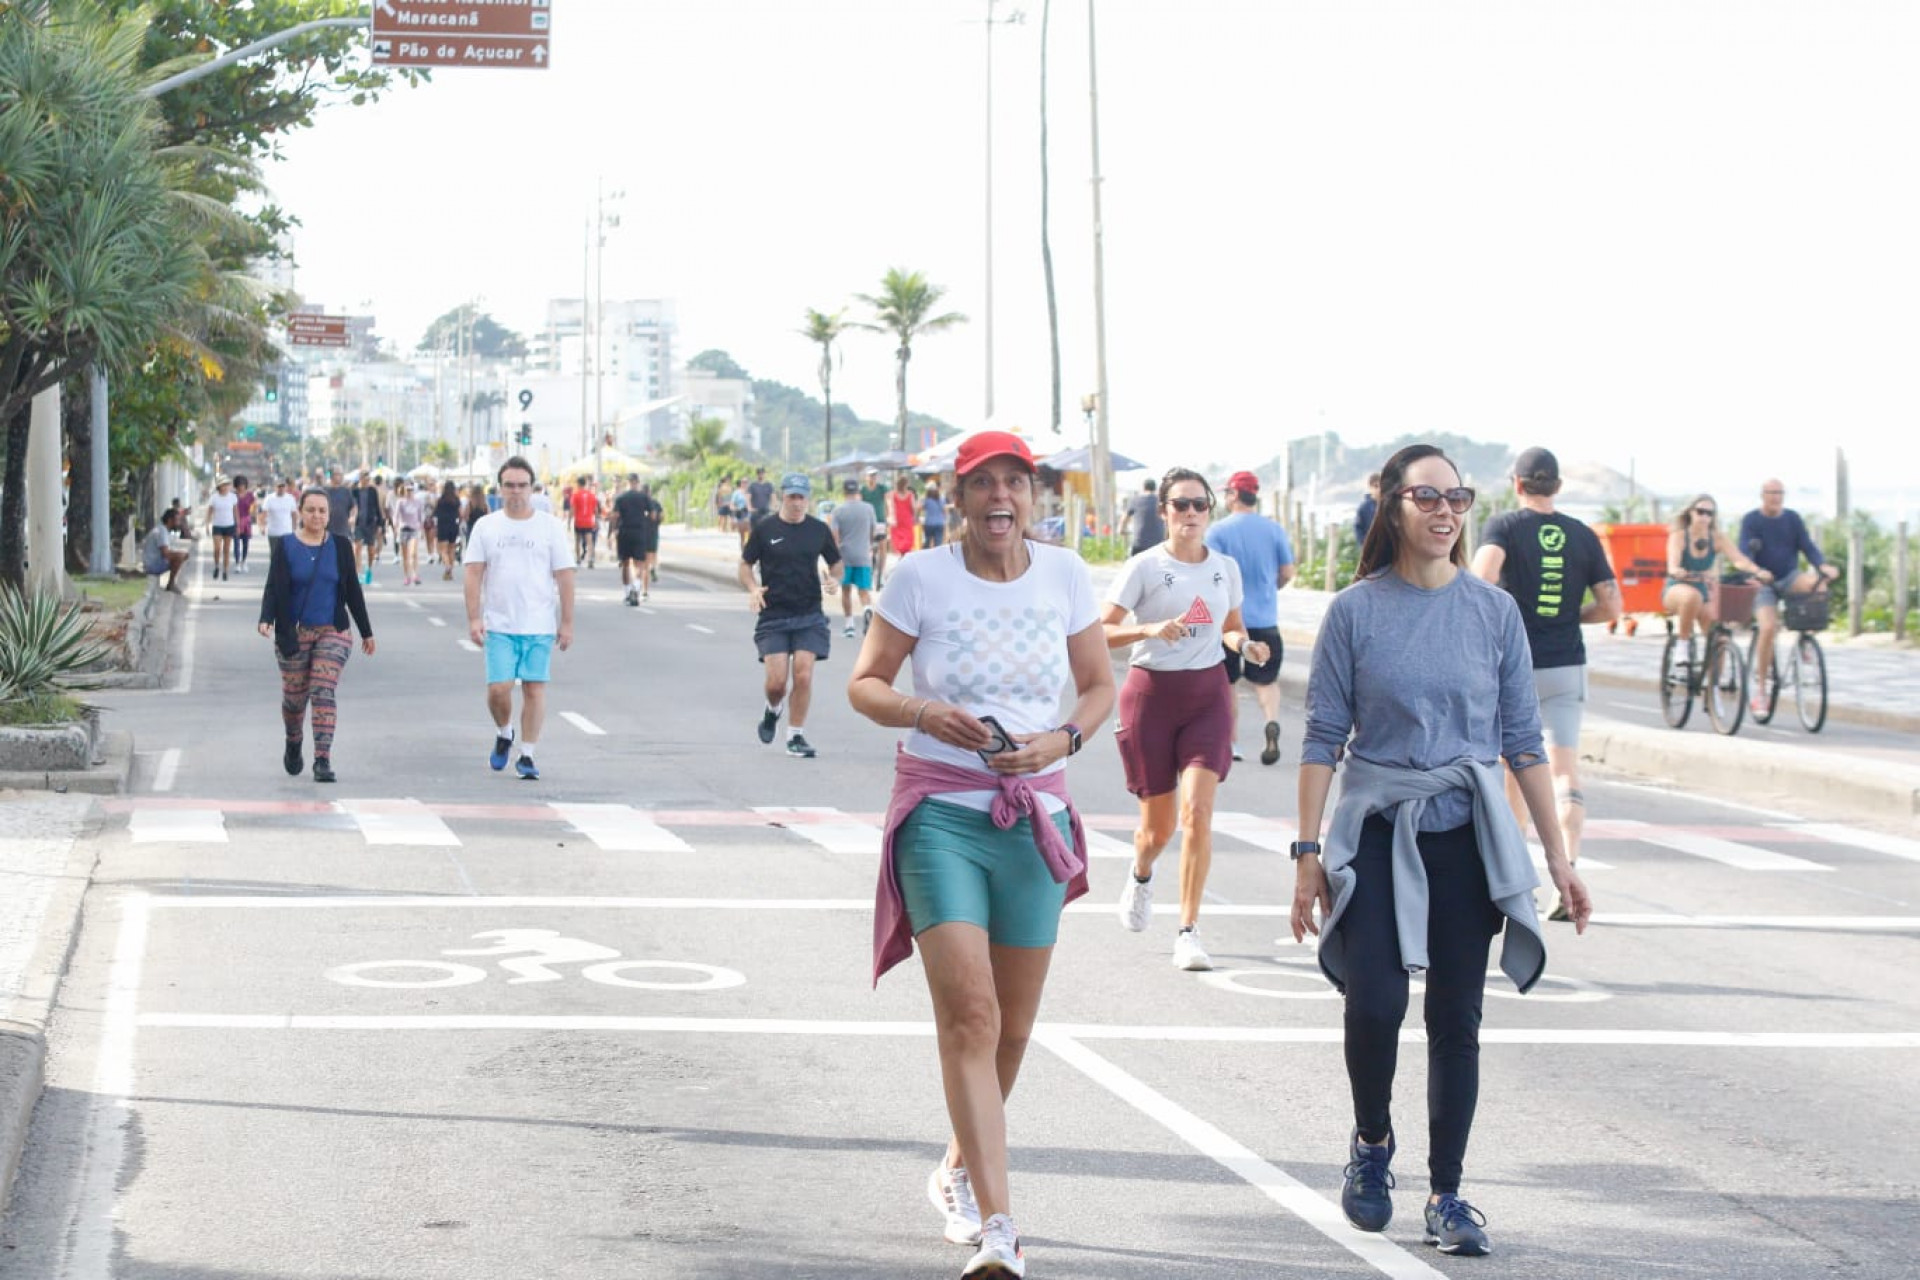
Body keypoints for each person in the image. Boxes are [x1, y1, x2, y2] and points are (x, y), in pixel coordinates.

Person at [1291, 443, 1591, 1258]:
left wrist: (1559, 861)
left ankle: (1449, 1194)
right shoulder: (1356, 610)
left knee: (1456, 1018)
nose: (1445, 511)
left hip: (1465, 832)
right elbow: (1322, 737)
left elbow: (1523, 744)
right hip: (1379, 830)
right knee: (1377, 1001)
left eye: (1456, 497)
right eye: (1426, 496)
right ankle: (1370, 1145)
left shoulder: (1493, 613)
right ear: (1392, 507)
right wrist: (1306, 852)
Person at [847, 429, 1114, 1278]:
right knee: (971, 1016)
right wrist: (925, 714)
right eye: (982, 485)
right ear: (955, 498)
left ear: (1034, 496)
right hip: (939, 814)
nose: (1001, 497)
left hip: (1035, 815)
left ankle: (959, 1169)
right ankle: (1001, 1230)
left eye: (1016, 483)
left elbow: (1101, 684)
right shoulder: (920, 577)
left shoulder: (1067, 575)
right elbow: (865, 682)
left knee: (1014, 1028)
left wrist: (1061, 738)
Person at [1102, 468, 1265, 973]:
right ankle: (1142, 871)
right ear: (1164, 512)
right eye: (1180, 505)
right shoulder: (1144, 567)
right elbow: (1099, 631)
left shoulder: (1226, 568)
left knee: (1198, 813)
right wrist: (1150, 627)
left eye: (1199, 505)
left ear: (1210, 510)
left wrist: (1246, 645)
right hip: (1150, 697)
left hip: (1206, 697)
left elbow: (1230, 627)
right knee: (1158, 830)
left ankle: (1189, 930)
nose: (1190, 514)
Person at [1469, 446, 1622, 920]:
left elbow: (1481, 579)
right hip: (1565, 663)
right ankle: (1569, 869)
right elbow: (1613, 606)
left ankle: (1519, 881)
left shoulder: (1504, 528)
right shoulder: (1582, 534)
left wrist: (1507, 621)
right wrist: (1573, 616)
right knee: (1563, 771)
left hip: (1513, 667)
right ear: (1557, 487)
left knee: (1512, 769)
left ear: (1517, 484)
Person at [464, 456, 576, 781]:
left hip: (539, 624)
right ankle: (504, 732)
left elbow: (565, 576)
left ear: (532, 488)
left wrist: (566, 622)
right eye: (510, 485)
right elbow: (473, 573)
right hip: (499, 624)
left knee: (534, 690)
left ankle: (527, 754)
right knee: (499, 689)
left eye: (522, 485)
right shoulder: (486, 526)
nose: (516, 491)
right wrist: (474, 618)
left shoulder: (550, 527)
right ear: (500, 489)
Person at [256, 487, 375, 784]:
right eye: (311, 510)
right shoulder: (285, 546)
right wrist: (265, 619)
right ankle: (293, 741)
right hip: (293, 634)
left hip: (333, 630)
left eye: (322, 511)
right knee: (295, 699)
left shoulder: (341, 546)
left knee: (323, 689)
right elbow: (273, 587)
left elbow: (352, 592)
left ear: (329, 514)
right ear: (300, 512)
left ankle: (323, 758)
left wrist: (366, 632)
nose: (317, 516)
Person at [737, 472, 839, 759]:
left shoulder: (818, 530)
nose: (797, 503)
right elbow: (745, 565)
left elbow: (837, 563)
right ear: (782, 496)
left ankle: (796, 735)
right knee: (776, 684)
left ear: (808, 499)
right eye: (792, 496)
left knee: (803, 675)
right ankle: (773, 709)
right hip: (774, 615)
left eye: (802, 497)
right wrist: (753, 588)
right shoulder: (765, 528)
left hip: (809, 613)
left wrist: (834, 580)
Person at [1206, 469, 1297, 767]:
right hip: (1266, 618)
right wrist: (1272, 588)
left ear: (1233, 495)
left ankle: (1232, 742)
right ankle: (1271, 721)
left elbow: (1211, 573)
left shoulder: (1218, 532)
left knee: (1228, 682)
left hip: (1232, 622)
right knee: (1267, 681)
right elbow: (1287, 572)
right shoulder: (1274, 530)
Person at [1739, 478, 1838, 715]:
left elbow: (1808, 546)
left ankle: (1806, 637)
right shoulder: (1751, 520)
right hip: (1763, 581)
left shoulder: (1792, 518)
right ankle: (1761, 690)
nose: (1776, 497)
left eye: (1780, 493)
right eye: (1771, 492)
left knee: (1818, 585)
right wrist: (1755, 571)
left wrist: (1823, 566)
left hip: (1789, 576)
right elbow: (1743, 551)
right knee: (1768, 628)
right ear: (1762, 495)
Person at [1661, 493, 1769, 644]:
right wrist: (1678, 571)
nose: (1704, 517)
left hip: (1704, 592)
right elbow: (1673, 565)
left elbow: (1738, 560)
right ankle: (1682, 643)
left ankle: (1715, 667)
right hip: (1677, 589)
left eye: (1709, 513)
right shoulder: (1679, 536)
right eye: (1700, 511)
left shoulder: (1717, 538)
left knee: (1720, 639)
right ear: (1690, 512)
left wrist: (1758, 571)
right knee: (1691, 597)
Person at [828, 476, 877, 638]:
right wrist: (867, 546)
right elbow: (873, 532)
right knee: (864, 591)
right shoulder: (869, 508)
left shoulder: (838, 511)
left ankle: (849, 625)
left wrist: (835, 559)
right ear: (858, 491)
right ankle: (867, 609)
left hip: (845, 556)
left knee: (846, 590)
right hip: (863, 555)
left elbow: (834, 537)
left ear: (844, 492)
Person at [611, 473, 662, 605]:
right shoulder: (644, 497)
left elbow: (615, 516)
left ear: (627, 483)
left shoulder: (621, 498)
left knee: (625, 564)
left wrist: (613, 531)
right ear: (637, 482)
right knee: (639, 563)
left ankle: (627, 592)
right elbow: (653, 516)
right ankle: (636, 588)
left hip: (624, 532)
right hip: (639, 532)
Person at [140, 508, 190, 593]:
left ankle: (171, 583)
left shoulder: (163, 530)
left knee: (182, 555)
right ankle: (171, 584)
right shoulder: (161, 531)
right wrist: (180, 555)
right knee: (180, 556)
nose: (178, 523)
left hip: (154, 563)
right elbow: (165, 554)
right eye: (177, 520)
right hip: (152, 566)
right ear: (170, 520)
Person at [350, 470, 385, 586]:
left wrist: (380, 524)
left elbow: (377, 507)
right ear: (360, 479)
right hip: (358, 523)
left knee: (371, 550)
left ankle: (368, 569)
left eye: (368, 479)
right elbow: (350, 506)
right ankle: (357, 573)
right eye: (365, 478)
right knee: (357, 548)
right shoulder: (354, 491)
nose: (367, 481)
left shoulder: (372, 491)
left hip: (370, 524)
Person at [861, 466, 891, 586]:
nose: (872, 478)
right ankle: (870, 570)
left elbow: (888, 502)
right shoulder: (863, 490)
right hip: (867, 522)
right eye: (870, 475)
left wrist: (889, 516)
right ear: (866, 477)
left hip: (880, 521)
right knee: (868, 548)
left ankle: (881, 573)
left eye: (874, 475)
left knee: (883, 547)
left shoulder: (882, 488)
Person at [1120, 476, 1165, 557]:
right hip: (1158, 543)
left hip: (1140, 543)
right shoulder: (1161, 501)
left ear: (1143, 487)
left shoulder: (1135, 500)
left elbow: (1124, 518)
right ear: (1155, 488)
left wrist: (1122, 530)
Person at [394, 481, 425, 586]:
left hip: (414, 530)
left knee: (413, 553)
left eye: (411, 490)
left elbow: (421, 517)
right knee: (405, 555)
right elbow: (396, 516)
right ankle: (407, 576)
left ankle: (415, 575)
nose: (409, 492)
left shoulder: (418, 502)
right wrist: (396, 526)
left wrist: (422, 530)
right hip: (404, 529)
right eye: (407, 490)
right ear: (404, 491)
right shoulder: (401, 502)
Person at [207, 478, 238, 581]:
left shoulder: (232, 497)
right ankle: (216, 566)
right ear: (219, 487)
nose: (225, 487)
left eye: (227, 485)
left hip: (229, 525)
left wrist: (237, 525)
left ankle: (225, 570)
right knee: (217, 548)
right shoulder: (214, 498)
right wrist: (207, 524)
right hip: (217, 525)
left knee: (226, 550)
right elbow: (210, 511)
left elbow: (235, 512)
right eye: (223, 485)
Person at [433, 481, 463, 580]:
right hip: (453, 525)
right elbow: (461, 514)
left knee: (443, 550)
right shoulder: (456, 500)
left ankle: (447, 566)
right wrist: (458, 522)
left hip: (442, 526)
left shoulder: (440, 500)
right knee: (452, 550)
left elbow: (435, 513)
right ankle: (450, 573)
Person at [569, 476, 601, 568]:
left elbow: (572, 509)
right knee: (589, 541)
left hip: (578, 521)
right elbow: (595, 509)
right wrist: (597, 520)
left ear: (578, 484)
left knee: (577, 541)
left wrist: (569, 521)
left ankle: (578, 559)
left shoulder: (575, 495)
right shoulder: (591, 495)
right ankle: (590, 559)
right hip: (588, 521)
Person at [261, 479, 298, 553]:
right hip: (273, 532)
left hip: (287, 532)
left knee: (286, 555)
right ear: (275, 487)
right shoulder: (269, 499)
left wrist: (295, 528)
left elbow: (294, 514)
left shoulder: (290, 498)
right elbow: (264, 514)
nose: (281, 488)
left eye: (283, 486)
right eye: (279, 486)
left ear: (285, 487)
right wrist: (262, 527)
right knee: (274, 554)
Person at [890, 472, 921, 560]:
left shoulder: (894, 495)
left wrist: (893, 519)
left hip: (898, 521)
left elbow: (892, 508)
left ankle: (902, 557)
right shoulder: (910, 495)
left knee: (899, 541)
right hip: (907, 521)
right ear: (905, 484)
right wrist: (917, 512)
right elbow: (914, 508)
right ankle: (904, 557)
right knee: (907, 542)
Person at [232, 475, 256, 574]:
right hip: (236, 521)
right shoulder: (233, 496)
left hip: (246, 521)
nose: (241, 487)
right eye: (239, 485)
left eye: (243, 485)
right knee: (236, 543)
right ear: (236, 486)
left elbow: (254, 506)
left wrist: (252, 514)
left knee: (245, 543)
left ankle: (244, 561)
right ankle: (237, 563)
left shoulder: (250, 495)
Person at [324, 470, 353, 539]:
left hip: (343, 528)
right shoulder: (324, 491)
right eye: (337, 475)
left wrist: (353, 517)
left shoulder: (346, 491)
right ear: (331, 477)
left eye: (340, 475)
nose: (339, 477)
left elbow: (353, 506)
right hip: (328, 528)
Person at [1353, 472, 1380, 546]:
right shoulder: (1363, 508)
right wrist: (1365, 544)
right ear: (1370, 487)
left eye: (1381, 486)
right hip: (1370, 547)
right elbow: (1358, 528)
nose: (1379, 489)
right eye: (1376, 486)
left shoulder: (1388, 506)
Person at [921, 479, 948, 548]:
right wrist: (944, 520)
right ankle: (937, 557)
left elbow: (919, 508)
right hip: (939, 523)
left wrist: (917, 518)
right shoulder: (941, 499)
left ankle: (926, 557)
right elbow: (944, 511)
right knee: (938, 543)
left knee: (927, 542)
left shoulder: (926, 500)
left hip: (929, 523)